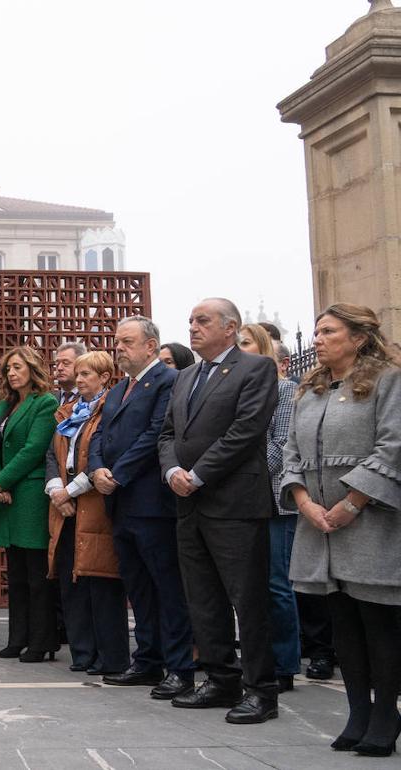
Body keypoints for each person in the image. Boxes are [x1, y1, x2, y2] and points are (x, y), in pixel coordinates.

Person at [281, 303, 401, 756]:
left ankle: (386, 713)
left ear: (358, 337)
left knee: (378, 620)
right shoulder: (309, 389)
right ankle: (357, 712)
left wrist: (352, 502)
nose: (317, 339)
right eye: (315, 332)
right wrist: (304, 502)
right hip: (319, 525)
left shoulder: (388, 381)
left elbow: (394, 445)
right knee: (343, 623)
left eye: (328, 331)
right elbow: (291, 452)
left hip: (370, 521)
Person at [158, 297, 280, 724]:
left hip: (234, 504)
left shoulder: (255, 369)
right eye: (190, 320)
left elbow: (246, 429)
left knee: (247, 600)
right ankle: (220, 678)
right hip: (189, 503)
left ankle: (261, 690)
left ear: (231, 327)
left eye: (203, 320)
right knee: (203, 597)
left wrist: (198, 474)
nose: (193, 327)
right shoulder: (186, 375)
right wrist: (172, 468)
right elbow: (168, 432)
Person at [91, 317, 195, 700]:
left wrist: (116, 474)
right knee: (139, 587)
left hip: (152, 502)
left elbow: (156, 435)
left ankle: (180, 667)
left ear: (151, 346)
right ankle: (147, 659)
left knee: (167, 587)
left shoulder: (169, 382)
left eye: (127, 342)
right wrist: (96, 468)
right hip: (120, 503)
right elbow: (101, 433)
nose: (119, 348)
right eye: (117, 341)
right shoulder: (119, 389)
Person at [45, 350, 129, 675]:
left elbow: (102, 456)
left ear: (105, 378)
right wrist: (56, 492)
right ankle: (83, 653)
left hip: (94, 505)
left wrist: (71, 491)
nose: (79, 380)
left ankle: (109, 657)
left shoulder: (111, 411)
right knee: (71, 580)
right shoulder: (68, 413)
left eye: (87, 375)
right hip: (65, 506)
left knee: (100, 582)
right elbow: (52, 455)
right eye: (77, 374)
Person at [0, 346, 59, 662]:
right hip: (5, 496)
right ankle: (18, 638)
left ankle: (41, 642)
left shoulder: (45, 403)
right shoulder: (5, 406)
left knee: (36, 574)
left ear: (32, 369)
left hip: (29, 495)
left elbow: (34, 449)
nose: (12, 374)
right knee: (15, 573)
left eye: (17, 367)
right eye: (8, 369)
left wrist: (3, 481)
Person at [238, 323, 302, 693]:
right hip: (243, 500)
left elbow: (279, 446)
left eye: (246, 343)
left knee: (277, 584)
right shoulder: (238, 389)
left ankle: (284, 663)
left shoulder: (284, 389)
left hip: (273, 499)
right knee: (251, 587)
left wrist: (241, 472)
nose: (240, 349)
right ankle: (256, 658)